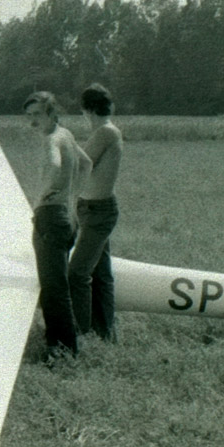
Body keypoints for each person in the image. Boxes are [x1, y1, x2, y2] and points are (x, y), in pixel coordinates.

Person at [23, 91, 82, 359]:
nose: (32, 121)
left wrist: (39, 200)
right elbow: (86, 164)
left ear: (50, 113)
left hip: (50, 216)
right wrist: (72, 201)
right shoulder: (67, 135)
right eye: (29, 115)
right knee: (57, 286)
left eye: (37, 114)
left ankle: (62, 351)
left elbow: (55, 165)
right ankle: (62, 346)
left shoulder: (50, 140)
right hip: (66, 216)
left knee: (53, 289)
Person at [68, 83, 123, 342]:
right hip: (91, 210)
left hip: (98, 212)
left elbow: (82, 163)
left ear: (87, 110)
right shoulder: (105, 132)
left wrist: (61, 136)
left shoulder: (105, 132)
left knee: (77, 273)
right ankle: (104, 333)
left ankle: (80, 332)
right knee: (101, 275)